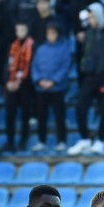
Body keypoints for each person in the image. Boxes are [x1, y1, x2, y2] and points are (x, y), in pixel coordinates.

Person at [68, 3, 104, 156]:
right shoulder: (90, 32)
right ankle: (84, 138)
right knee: (80, 107)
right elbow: (85, 51)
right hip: (90, 77)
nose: (90, 20)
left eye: (91, 17)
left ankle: (100, 140)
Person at [31, 23, 71, 152]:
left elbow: (65, 66)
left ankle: (62, 141)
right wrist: (39, 80)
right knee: (41, 115)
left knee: (59, 115)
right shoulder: (41, 49)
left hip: (57, 88)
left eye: (53, 33)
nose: (50, 36)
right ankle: (41, 141)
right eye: (48, 33)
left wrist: (54, 81)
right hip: (41, 88)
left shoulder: (63, 49)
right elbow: (34, 66)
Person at [3, 21, 35, 153]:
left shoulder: (32, 45)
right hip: (11, 85)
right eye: (18, 29)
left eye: (23, 29)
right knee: (10, 114)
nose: (20, 32)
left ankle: (23, 140)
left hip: (25, 85)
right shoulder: (12, 46)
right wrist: (7, 81)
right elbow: (6, 65)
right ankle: (10, 142)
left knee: (25, 114)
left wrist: (20, 81)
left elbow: (32, 66)